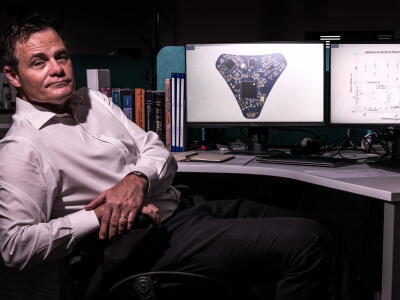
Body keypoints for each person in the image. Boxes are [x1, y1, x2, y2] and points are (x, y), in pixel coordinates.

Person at [0, 15, 332, 300]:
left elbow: (157, 149)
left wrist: (137, 180)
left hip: (184, 208)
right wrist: (103, 215)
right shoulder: (22, 148)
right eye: (39, 62)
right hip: (141, 244)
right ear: (14, 76)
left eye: (62, 56)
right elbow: (15, 246)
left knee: (318, 223)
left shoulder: (93, 101)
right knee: (308, 242)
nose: (57, 69)